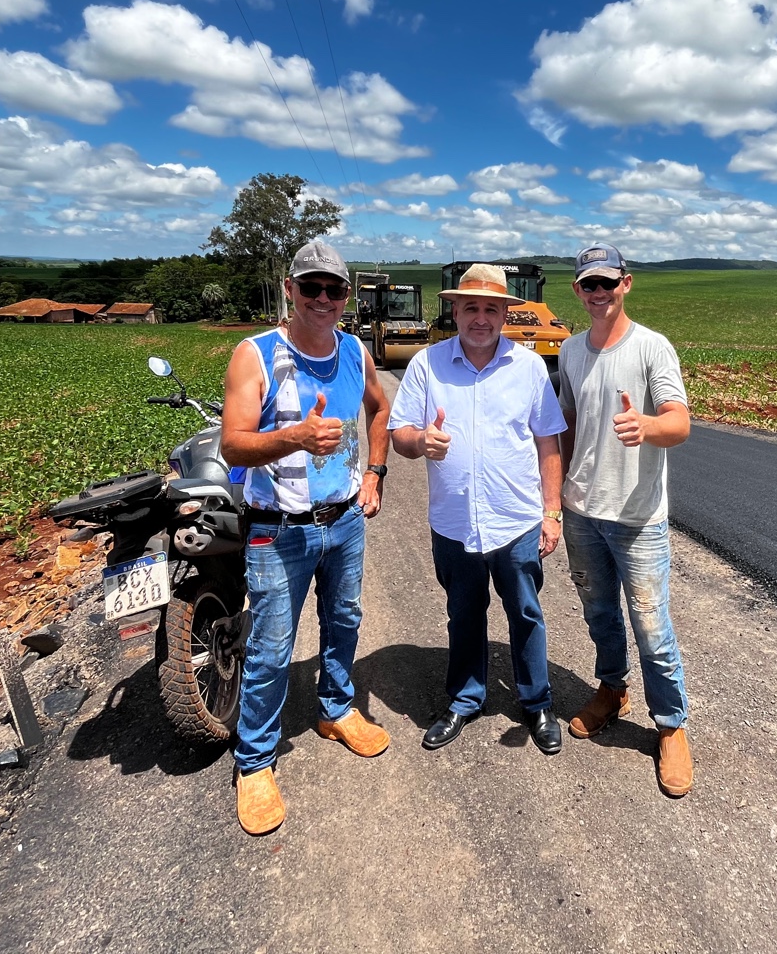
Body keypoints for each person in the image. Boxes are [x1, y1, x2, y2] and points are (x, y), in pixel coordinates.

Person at [218, 239, 393, 836]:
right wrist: (293, 436)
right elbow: (232, 445)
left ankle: (337, 710)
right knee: (270, 647)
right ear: (290, 289)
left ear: (347, 298)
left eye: (334, 289)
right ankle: (255, 762)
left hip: (343, 520)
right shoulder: (256, 355)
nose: (323, 299)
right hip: (279, 529)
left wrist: (373, 473)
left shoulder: (355, 351)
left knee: (344, 620)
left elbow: (379, 409)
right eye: (311, 287)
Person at [389, 263, 568, 754]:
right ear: (455, 310)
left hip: (516, 520)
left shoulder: (529, 368)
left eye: (492, 308)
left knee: (526, 612)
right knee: (463, 613)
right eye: (472, 307)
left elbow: (548, 443)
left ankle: (536, 704)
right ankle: (466, 699)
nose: (482, 318)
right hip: (453, 521)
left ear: (506, 313)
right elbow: (399, 432)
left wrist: (552, 512)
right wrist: (420, 440)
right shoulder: (428, 365)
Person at [557, 243, 695, 797]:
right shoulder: (568, 351)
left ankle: (671, 726)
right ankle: (612, 690)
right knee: (599, 614)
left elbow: (680, 423)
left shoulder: (652, 349)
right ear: (578, 290)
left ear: (627, 284)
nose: (598, 293)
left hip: (637, 517)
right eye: (589, 284)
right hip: (581, 512)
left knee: (652, 627)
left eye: (607, 283)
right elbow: (564, 424)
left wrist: (647, 427)